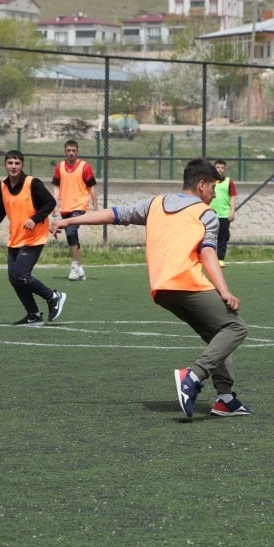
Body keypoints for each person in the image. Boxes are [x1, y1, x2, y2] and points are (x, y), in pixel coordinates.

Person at [52, 158, 249, 418]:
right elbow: (208, 253)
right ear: (202, 185)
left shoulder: (154, 204)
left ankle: (225, 399)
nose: (214, 194)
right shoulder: (206, 214)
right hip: (187, 283)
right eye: (212, 187)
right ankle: (193, 376)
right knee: (235, 327)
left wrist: (71, 221)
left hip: (161, 289)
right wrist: (224, 291)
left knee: (217, 334)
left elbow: (114, 214)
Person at [0, 150, 66, 326]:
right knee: (14, 278)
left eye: (17, 163)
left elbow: (50, 202)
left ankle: (53, 296)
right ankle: (33, 315)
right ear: (5, 165)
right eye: (10, 163)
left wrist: (35, 219)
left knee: (21, 276)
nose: (13, 166)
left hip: (34, 237)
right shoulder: (3, 185)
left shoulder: (32, 183)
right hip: (16, 237)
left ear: (22, 165)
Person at [51, 139, 97, 281]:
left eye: (73, 150)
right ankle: (80, 268)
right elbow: (57, 187)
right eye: (68, 150)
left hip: (80, 206)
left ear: (77, 151)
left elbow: (91, 187)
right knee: (72, 236)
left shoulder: (84, 167)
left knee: (71, 232)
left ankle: (74, 266)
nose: (71, 153)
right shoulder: (59, 167)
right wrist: (54, 204)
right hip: (66, 207)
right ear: (65, 151)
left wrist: (95, 207)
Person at [211, 159, 237, 267]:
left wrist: (232, 211)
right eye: (217, 167)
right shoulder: (209, 180)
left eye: (222, 168)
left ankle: (220, 258)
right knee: (209, 237)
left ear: (224, 169)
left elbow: (233, 197)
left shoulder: (228, 181)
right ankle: (208, 258)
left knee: (223, 237)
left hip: (224, 214)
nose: (220, 170)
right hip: (210, 213)